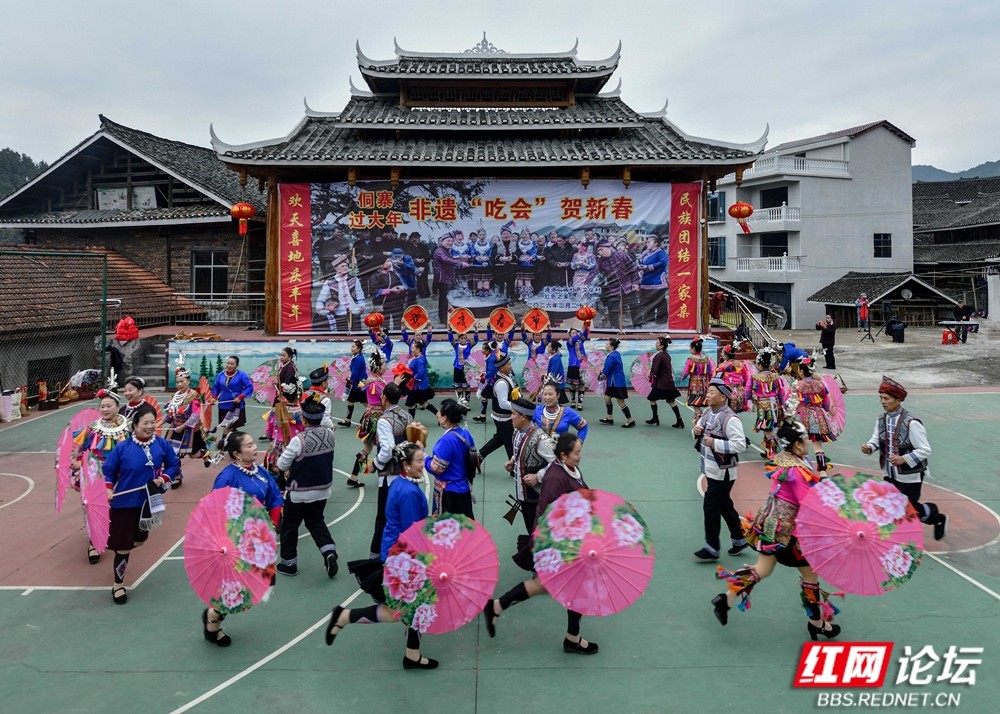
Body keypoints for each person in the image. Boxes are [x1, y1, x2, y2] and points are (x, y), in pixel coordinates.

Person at [711, 417, 842, 640]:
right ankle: (816, 623)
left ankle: (727, 598)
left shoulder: (783, 460)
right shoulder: (799, 471)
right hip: (791, 534)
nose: (808, 443)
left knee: (763, 569)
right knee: (810, 577)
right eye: (805, 440)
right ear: (798, 444)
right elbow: (809, 503)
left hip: (770, 527)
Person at [325, 442, 440, 670]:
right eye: (419, 460)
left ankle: (347, 618)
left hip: (396, 553)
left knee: (405, 609)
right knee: (414, 607)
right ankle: (411, 655)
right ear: (406, 465)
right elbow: (411, 531)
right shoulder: (408, 492)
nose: (423, 464)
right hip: (405, 557)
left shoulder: (399, 484)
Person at [482, 433, 598, 655]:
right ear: (563, 455)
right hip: (560, 543)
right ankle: (572, 639)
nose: (580, 456)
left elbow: (581, 493)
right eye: (577, 453)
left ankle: (497, 606)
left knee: (543, 585)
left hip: (568, 540)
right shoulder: (555, 478)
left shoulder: (570, 468)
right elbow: (549, 514)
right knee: (575, 587)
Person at [203, 430, 283, 646]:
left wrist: (272, 524)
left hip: (259, 538)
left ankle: (215, 614)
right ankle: (212, 620)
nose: (255, 447)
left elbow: (275, 498)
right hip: (235, 540)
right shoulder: (228, 477)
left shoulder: (261, 472)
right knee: (233, 588)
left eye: (253, 443)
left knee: (253, 584)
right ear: (237, 454)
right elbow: (216, 507)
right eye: (248, 445)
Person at [103, 403, 179, 604]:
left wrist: (162, 479)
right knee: (123, 547)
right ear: (134, 426)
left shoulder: (162, 444)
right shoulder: (122, 448)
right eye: (145, 423)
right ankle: (118, 585)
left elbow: (173, 465)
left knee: (140, 540)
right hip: (124, 503)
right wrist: (108, 488)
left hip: (149, 501)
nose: (150, 426)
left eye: (153, 422)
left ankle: (130, 544)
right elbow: (108, 470)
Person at [861, 376, 947, 540]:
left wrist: (904, 458)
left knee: (908, 508)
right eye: (881, 398)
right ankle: (893, 535)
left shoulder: (912, 423)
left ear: (898, 399)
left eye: (886, 398)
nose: (883, 402)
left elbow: (925, 449)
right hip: (889, 471)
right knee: (890, 504)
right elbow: (876, 439)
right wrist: (869, 447)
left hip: (910, 475)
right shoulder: (881, 419)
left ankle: (936, 517)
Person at [275, 394, 339, 577]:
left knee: (290, 526)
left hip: (299, 492)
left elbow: (281, 465)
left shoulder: (298, 440)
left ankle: (289, 563)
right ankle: (329, 552)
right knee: (316, 522)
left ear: (303, 419)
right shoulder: (330, 434)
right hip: (323, 489)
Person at [692, 378, 749, 562]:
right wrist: (697, 431)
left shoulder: (730, 419)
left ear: (723, 397)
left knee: (711, 506)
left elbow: (740, 444)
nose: (707, 396)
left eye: (711, 393)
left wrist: (715, 443)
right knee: (724, 505)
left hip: (723, 472)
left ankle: (712, 547)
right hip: (711, 468)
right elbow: (696, 430)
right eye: (707, 392)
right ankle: (739, 539)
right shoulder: (708, 413)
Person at [72, 386, 130, 564]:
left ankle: (115, 534)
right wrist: (77, 464)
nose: (104, 409)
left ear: (117, 406)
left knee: (116, 507)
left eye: (108, 406)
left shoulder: (128, 428)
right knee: (92, 507)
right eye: (102, 406)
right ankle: (93, 542)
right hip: (94, 473)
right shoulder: (91, 429)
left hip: (119, 474)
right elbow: (81, 450)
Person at [367, 382, 415, 559]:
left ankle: (376, 556)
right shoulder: (406, 415)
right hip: (406, 473)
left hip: (390, 475)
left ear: (384, 397)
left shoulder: (384, 421)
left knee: (383, 517)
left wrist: (375, 464)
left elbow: (387, 449)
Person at [505, 397, 556, 532]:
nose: (511, 417)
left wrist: (538, 477)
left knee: (538, 530)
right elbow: (520, 451)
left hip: (537, 495)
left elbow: (557, 462)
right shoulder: (516, 432)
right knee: (530, 527)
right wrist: (513, 460)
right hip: (523, 492)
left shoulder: (542, 438)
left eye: (513, 414)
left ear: (523, 417)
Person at [425, 398, 476, 519]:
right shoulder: (465, 433)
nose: (437, 413)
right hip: (463, 488)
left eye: (439, 411)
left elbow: (436, 468)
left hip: (449, 493)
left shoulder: (447, 441)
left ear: (445, 417)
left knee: (448, 531)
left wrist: (423, 457)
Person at [348, 351, 388, 487]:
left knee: (368, 447)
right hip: (377, 419)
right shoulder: (376, 383)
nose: (386, 367)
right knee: (383, 445)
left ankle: (353, 477)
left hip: (372, 416)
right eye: (384, 364)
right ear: (377, 367)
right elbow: (386, 399)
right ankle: (383, 475)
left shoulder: (372, 379)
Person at [163, 364, 205, 489]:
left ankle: (205, 454)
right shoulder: (174, 397)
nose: (180, 384)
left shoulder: (194, 396)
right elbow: (170, 414)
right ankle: (176, 476)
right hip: (174, 429)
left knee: (193, 454)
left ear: (188, 381)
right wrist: (158, 423)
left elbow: (195, 416)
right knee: (171, 453)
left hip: (189, 430)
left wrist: (183, 427)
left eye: (182, 381)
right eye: (177, 382)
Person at [794, 359, 836, 471]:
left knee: (801, 444)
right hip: (818, 416)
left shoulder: (797, 386)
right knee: (818, 447)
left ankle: (803, 469)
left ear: (801, 371)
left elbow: (791, 402)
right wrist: (829, 410)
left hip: (801, 417)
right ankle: (823, 473)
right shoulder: (821, 385)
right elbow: (826, 403)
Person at [747, 347, 789, 459]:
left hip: (763, 407)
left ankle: (776, 455)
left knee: (767, 430)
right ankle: (768, 451)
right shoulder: (776, 376)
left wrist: (749, 399)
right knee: (768, 429)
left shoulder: (755, 377)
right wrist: (783, 404)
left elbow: (748, 390)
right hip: (775, 405)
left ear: (760, 365)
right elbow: (781, 392)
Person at [478, 353, 516, 467]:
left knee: (500, 439)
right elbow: (503, 403)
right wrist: (517, 407)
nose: (511, 366)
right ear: (501, 367)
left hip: (503, 417)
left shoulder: (507, 377)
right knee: (510, 443)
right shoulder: (501, 383)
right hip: (503, 418)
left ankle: (479, 456)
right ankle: (513, 468)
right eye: (509, 364)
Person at [595, 239, 642, 330]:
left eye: (601, 249)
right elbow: (596, 274)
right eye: (598, 251)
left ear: (608, 247)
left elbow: (633, 269)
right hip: (613, 288)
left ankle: (637, 325)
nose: (600, 253)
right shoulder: (601, 261)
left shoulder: (622, 255)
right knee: (613, 308)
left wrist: (635, 283)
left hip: (628, 285)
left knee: (634, 305)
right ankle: (614, 327)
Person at [315, 254, 366, 331]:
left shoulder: (353, 279)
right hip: (339, 311)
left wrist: (361, 305)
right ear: (336, 268)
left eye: (346, 266)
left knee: (356, 331)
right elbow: (322, 296)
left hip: (354, 310)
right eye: (342, 266)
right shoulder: (330, 281)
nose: (345, 268)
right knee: (341, 332)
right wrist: (320, 307)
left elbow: (359, 293)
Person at [646, 336, 684, 428]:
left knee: (652, 399)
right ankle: (680, 420)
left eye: (657, 343)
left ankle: (655, 418)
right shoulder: (667, 355)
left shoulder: (659, 356)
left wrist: (650, 373)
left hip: (661, 383)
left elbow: (655, 370)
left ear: (662, 346)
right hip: (668, 382)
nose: (656, 344)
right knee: (671, 401)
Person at [432, 233, 469, 323]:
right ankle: (443, 319)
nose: (450, 243)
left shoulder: (446, 250)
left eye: (452, 241)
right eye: (448, 241)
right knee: (444, 300)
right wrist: (460, 263)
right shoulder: (439, 251)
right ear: (442, 241)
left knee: (450, 297)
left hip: (448, 278)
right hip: (442, 279)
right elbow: (446, 260)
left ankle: (448, 316)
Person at [210, 356, 254, 431]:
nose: (229, 366)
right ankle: (231, 441)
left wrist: (240, 397)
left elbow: (249, 387)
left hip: (235, 403)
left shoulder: (242, 375)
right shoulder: (221, 375)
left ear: (237, 365)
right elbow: (216, 387)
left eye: (232, 364)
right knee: (226, 426)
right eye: (228, 363)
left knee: (230, 427)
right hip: (223, 403)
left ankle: (226, 441)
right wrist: (214, 398)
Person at [598, 338, 635, 428]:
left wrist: (602, 374)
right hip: (613, 381)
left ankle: (630, 420)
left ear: (611, 347)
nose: (605, 345)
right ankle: (609, 417)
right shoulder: (615, 354)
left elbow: (608, 368)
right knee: (607, 397)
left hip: (616, 382)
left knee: (621, 402)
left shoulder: (612, 356)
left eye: (607, 344)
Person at [637, 235, 668, 325]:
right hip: (646, 281)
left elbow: (664, 262)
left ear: (655, 243)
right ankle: (648, 318)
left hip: (658, 280)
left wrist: (648, 267)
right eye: (646, 242)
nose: (647, 243)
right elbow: (641, 263)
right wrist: (640, 267)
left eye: (649, 242)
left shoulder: (660, 252)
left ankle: (661, 320)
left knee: (660, 301)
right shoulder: (645, 253)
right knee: (647, 300)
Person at [681, 338, 715, 421]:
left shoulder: (691, 360)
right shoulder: (707, 359)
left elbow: (686, 371)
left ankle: (699, 424)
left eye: (690, 347)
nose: (690, 349)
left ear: (693, 348)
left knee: (696, 404)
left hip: (694, 385)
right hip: (705, 384)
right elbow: (711, 372)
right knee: (706, 403)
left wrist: (682, 377)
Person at [713, 343, 752, 414]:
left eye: (722, 352)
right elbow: (747, 379)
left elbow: (715, 379)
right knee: (734, 413)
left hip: (727, 392)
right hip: (739, 393)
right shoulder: (741, 364)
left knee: (725, 413)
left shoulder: (722, 366)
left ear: (725, 355)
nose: (721, 354)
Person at [404, 339, 438, 419]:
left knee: (412, 404)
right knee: (423, 403)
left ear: (418, 349)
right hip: (417, 385)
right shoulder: (417, 358)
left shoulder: (420, 360)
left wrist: (413, 378)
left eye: (413, 348)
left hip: (418, 386)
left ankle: (411, 422)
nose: (411, 349)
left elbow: (421, 373)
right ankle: (438, 415)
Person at [340, 340, 368, 427]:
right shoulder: (357, 357)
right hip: (358, 382)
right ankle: (348, 420)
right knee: (350, 401)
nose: (351, 348)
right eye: (351, 346)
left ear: (359, 349)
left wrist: (350, 380)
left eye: (353, 347)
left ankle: (373, 416)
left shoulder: (358, 358)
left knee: (365, 403)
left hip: (360, 383)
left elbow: (355, 372)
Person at [448, 329, 479, 403]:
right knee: (459, 387)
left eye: (465, 338)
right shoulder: (456, 345)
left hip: (467, 369)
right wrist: (449, 331)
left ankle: (467, 403)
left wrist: (476, 331)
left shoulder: (469, 345)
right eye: (461, 338)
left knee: (467, 387)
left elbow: (476, 341)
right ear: (458, 339)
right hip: (458, 368)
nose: (463, 340)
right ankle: (460, 402)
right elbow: (450, 339)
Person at [566, 325, 589, 410]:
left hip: (582, 365)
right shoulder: (569, 342)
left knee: (581, 384)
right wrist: (581, 331)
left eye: (576, 332)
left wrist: (587, 324)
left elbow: (585, 335)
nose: (575, 334)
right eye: (573, 333)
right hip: (573, 365)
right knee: (572, 384)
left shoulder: (581, 341)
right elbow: (577, 337)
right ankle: (572, 401)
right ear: (570, 335)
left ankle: (580, 403)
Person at [544, 339, 568, 404]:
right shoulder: (554, 357)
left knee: (559, 398)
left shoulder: (556, 358)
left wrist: (549, 377)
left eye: (549, 347)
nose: (547, 348)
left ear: (553, 349)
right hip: (556, 381)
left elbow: (554, 370)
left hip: (557, 381)